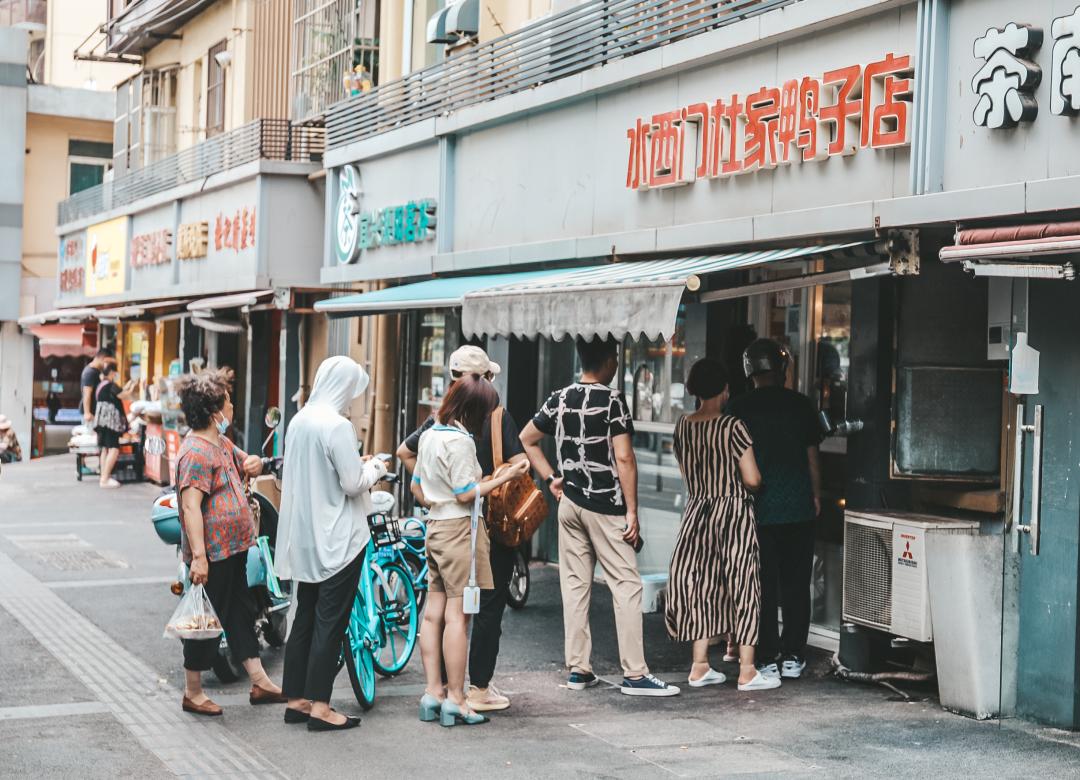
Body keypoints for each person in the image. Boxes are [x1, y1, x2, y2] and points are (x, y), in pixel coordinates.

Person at [520, 336, 680, 698]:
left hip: (571, 504)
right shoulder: (612, 400)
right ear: (610, 360)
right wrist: (633, 510)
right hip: (605, 505)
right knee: (626, 585)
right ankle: (636, 675)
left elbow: (527, 438)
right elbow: (624, 458)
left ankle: (579, 669)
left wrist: (551, 479)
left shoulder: (558, 397)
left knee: (575, 586)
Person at [396, 345, 528, 713]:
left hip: (436, 525)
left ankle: (432, 691)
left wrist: (432, 500)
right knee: (470, 613)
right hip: (470, 529)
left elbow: (411, 471)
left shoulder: (435, 424)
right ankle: (465, 693)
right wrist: (494, 480)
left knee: (434, 611)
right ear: (482, 382)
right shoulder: (477, 426)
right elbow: (469, 492)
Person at [276, 356, 388, 732]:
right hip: (339, 539)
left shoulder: (299, 420)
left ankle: (296, 699)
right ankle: (322, 705)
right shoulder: (337, 426)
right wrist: (377, 468)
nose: (353, 399)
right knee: (331, 621)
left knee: (305, 615)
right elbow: (353, 483)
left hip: (304, 536)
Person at [665, 359, 779, 692]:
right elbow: (753, 477)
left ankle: (700, 666)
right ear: (726, 390)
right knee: (743, 583)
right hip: (733, 513)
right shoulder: (733, 427)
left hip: (697, 510)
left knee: (700, 584)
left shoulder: (683, 426)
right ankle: (746, 670)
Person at [175, 370, 285, 716]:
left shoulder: (219, 443)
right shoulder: (195, 452)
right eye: (228, 401)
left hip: (234, 549)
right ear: (214, 412)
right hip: (214, 553)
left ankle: (260, 680)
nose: (233, 406)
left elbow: (246, 461)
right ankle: (193, 691)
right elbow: (191, 505)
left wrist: (254, 462)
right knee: (206, 622)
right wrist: (199, 557)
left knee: (240, 612)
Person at [727, 338, 823, 681]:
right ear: (781, 369)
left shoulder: (737, 408)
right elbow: (812, 454)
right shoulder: (800, 405)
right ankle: (793, 654)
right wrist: (815, 494)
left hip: (756, 509)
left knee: (762, 584)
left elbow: (732, 461)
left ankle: (766, 656)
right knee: (797, 583)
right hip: (797, 506)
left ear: (749, 371)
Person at [93, 362, 129, 489]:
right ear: (112, 372)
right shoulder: (110, 385)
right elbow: (123, 395)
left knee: (105, 449)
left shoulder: (100, 385)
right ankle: (105, 479)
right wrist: (133, 387)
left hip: (101, 421)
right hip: (110, 422)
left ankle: (103, 476)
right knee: (114, 449)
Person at [81, 348, 113, 425]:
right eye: (107, 362)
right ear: (102, 358)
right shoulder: (90, 372)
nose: (107, 365)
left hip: (96, 413)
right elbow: (87, 393)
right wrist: (87, 413)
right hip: (91, 414)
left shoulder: (97, 371)